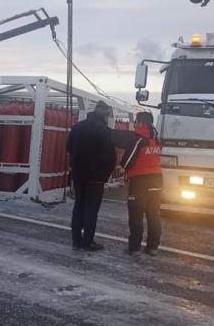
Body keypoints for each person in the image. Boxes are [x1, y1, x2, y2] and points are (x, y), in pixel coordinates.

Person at [66, 100, 117, 251]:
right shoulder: (103, 130)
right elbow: (110, 156)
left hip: (78, 174)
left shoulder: (77, 127)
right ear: (105, 114)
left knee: (79, 206)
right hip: (95, 177)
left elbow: (68, 147)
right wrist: (105, 175)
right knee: (91, 209)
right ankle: (87, 242)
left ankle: (76, 241)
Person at [120, 111, 163, 256]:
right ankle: (153, 247)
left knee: (136, 214)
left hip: (140, 181)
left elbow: (126, 162)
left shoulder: (138, 139)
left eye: (136, 121)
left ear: (141, 123)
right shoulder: (156, 139)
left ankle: (134, 248)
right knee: (153, 214)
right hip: (157, 179)